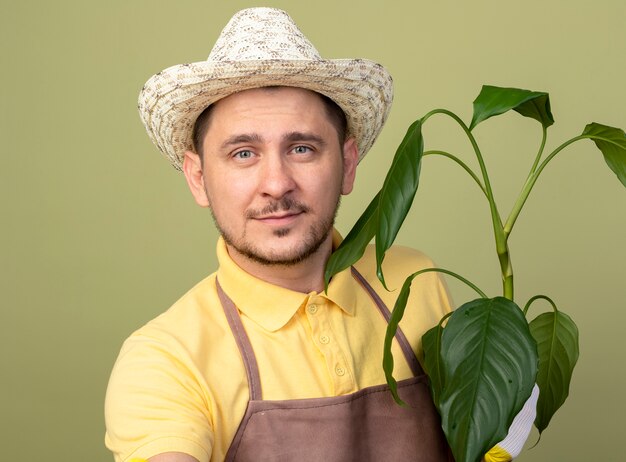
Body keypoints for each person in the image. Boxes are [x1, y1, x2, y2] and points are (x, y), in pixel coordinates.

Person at [105, 8, 536, 462]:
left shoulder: (417, 280)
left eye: (302, 148)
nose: (277, 182)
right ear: (198, 178)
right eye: (244, 153)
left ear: (348, 164)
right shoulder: (164, 359)